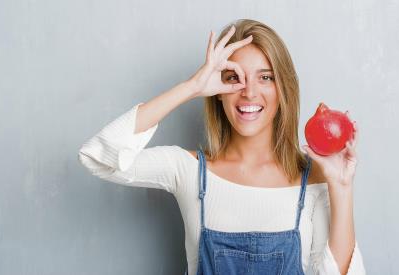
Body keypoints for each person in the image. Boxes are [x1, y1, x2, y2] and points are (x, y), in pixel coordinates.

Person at [78, 19, 366, 275]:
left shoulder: (313, 178)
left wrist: (341, 186)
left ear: (283, 89)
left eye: (265, 77)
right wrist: (192, 86)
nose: (249, 92)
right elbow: (99, 157)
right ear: (218, 91)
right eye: (233, 78)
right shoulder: (189, 171)